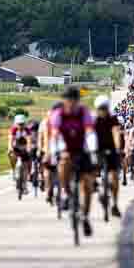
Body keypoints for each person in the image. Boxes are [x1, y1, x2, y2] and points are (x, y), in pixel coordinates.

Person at [50, 86, 98, 237]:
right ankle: (65, 192)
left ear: (78, 101)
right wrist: (55, 151)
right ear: (64, 100)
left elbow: (90, 130)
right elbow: (55, 134)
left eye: (73, 100)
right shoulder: (58, 114)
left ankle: (85, 216)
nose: (70, 103)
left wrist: (92, 149)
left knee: (87, 185)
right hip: (66, 148)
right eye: (67, 100)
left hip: (82, 149)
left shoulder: (84, 112)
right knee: (63, 161)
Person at [93, 95, 122, 217]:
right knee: (91, 169)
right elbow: (89, 135)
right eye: (101, 108)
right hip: (96, 148)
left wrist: (118, 148)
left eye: (105, 108)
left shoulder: (113, 119)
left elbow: (116, 133)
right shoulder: (93, 120)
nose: (103, 110)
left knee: (114, 177)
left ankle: (114, 204)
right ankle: (96, 185)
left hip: (111, 149)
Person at [8, 114, 32, 193]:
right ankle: (13, 169)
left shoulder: (27, 130)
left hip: (24, 149)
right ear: (15, 123)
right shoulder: (13, 129)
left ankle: (25, 186)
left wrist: (29, 148)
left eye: (22, 124)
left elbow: (29, 140)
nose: (20, 126)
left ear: (24, 123)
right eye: (19, 124)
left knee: (25, 166)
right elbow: (10, 139)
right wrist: (10, 148)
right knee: (11, 155)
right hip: (15, 148)